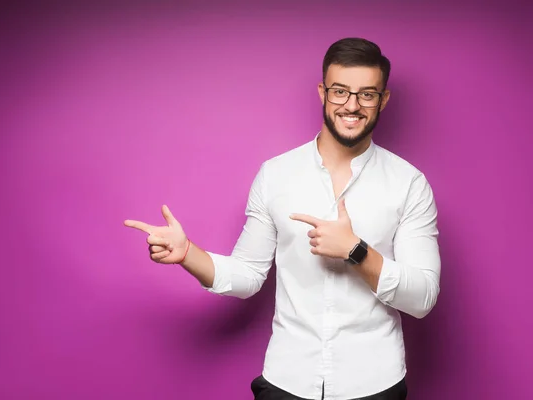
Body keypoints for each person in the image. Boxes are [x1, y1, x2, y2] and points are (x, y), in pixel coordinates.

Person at [124, 37, 441, 400]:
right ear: (323, 92)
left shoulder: (409, 184)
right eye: (340, 91)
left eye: (367, 94)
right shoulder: (276, 175)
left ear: (383, 99)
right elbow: (247, 275)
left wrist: (356, 251)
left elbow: (423, 297)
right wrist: (188, 254)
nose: (352, 105)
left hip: (374, 383)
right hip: (288, 381)